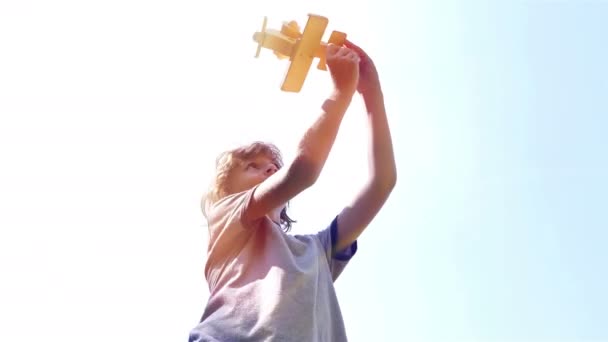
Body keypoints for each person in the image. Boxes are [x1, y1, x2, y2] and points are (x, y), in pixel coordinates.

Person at [188, 40, 397, 342]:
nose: (270, 168)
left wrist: (371, 94)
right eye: (253, 166)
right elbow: (302, 171)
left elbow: (382, 183)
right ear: (226, 190)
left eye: (273, 164)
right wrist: (341, 93)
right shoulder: (227, 217)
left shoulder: (318, 251)